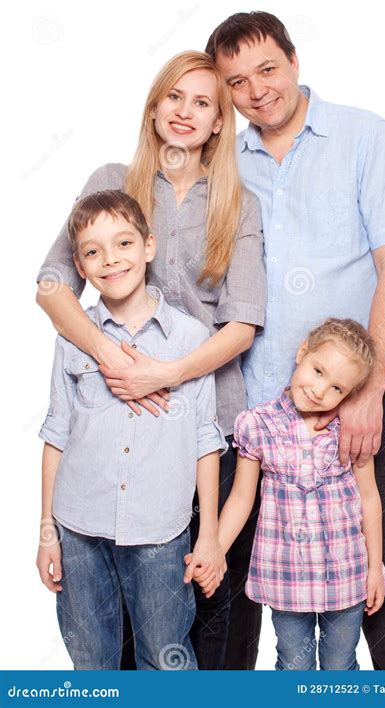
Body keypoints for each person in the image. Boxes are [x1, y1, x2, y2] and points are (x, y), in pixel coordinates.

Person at [205, 11, 385, 670]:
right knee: (240, 583)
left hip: (350, 400)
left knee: (383, 568)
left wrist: (369, 390)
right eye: (237, 82)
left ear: (295, 60)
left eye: (267, 69)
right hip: (250, 412)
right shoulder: (227, 162)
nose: (257, 91)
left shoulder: (363, 136)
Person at [35, 51, 266, 670]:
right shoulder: (113, 179)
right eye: (173, 97)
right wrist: (115, 359)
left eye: (201, 103)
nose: (184, 112)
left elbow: (242, 324)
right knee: (111, 634)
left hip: (207, 426)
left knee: (209, 626)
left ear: (221, 121)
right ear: (154, 105)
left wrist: (160, 374)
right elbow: (53, 285)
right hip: (111, 417)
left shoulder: (235, 202)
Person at [36, 190, 228, 670]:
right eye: (92, 251)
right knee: (92, 662)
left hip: (161, 532)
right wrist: (46, 530)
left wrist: (209, 536)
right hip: (79, 527)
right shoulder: (72, 340)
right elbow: (56, 432)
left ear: (148, 246)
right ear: (79, 266)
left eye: (123, 243)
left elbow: (206, 441)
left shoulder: (191, 341)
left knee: (165, 662)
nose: (110, 260)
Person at [195, 319, 385, 670]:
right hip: (285, 574)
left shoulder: (348, 430)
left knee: (340, 665)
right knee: (292, 665)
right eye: (318, 371)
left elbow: (370, 498)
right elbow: (242, 498)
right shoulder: (257, 424)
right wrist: (215, 551)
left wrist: (375, 567)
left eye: (336, 388)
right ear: (303, 353)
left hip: (345, 572)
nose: (319, 390)